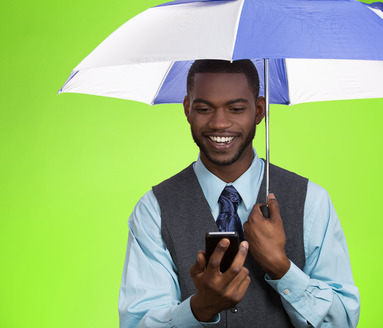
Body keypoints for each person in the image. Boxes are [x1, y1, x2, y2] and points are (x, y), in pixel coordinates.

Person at [119, 60, 360, 327]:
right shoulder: (154, 209)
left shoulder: (311, 202)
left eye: (236, 108)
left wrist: (281, 267)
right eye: (204, 108)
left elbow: (342, 322)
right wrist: (200, 308)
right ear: (187, 109)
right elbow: (137, 322)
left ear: (259, 110)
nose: (220, 123)